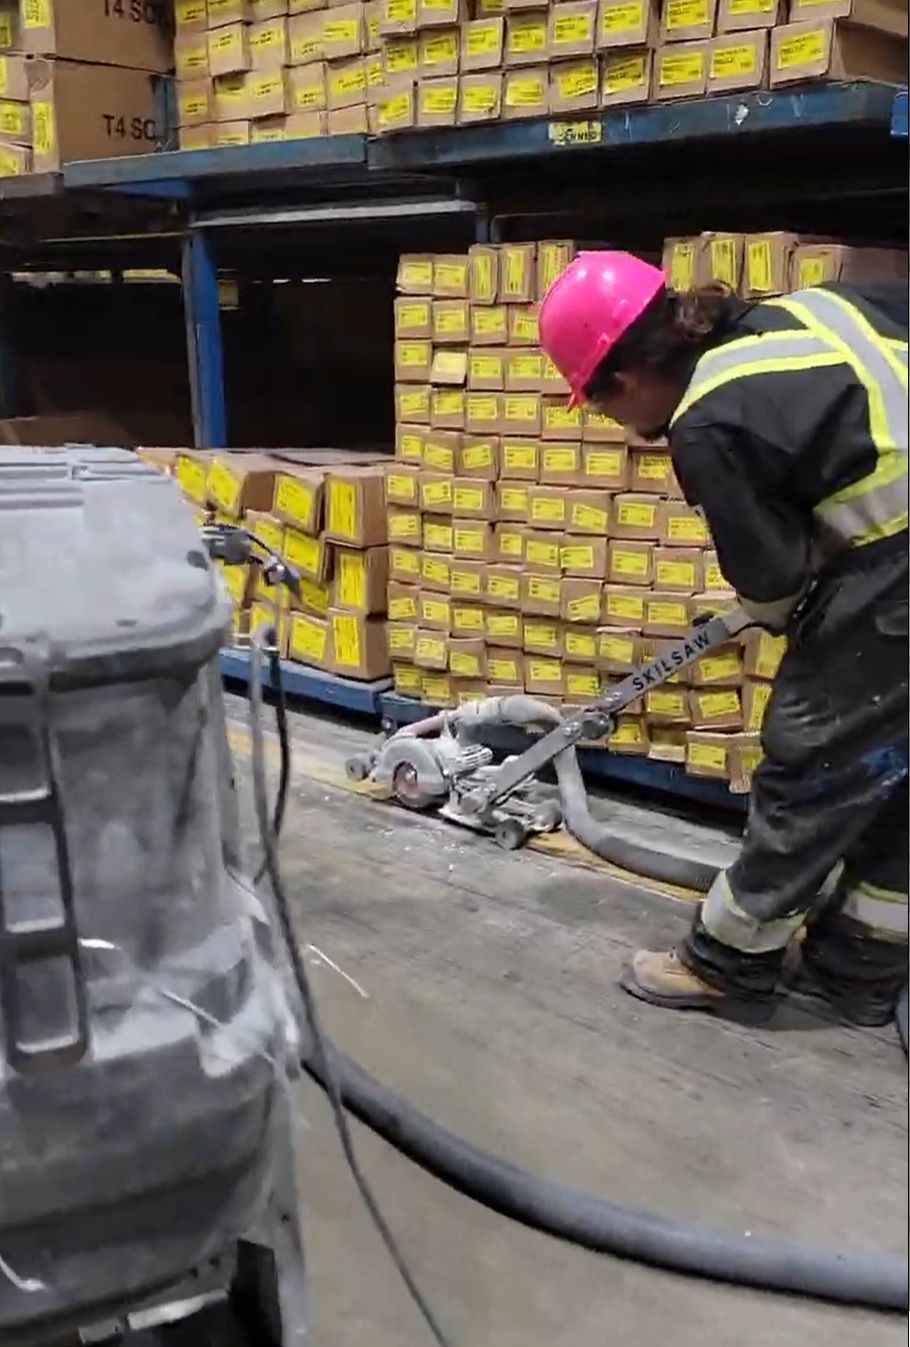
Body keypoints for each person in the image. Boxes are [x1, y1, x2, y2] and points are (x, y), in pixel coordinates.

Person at [538, 251, 908, 1027]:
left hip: (896, 578)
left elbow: (772, 584)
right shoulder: (821, 309)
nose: (616, 422)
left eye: (601, 405)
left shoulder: (705, 417)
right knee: (895, 772)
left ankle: (728, 964)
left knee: (813, 765)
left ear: (627, 378)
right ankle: (860, 968)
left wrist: (796, 613)